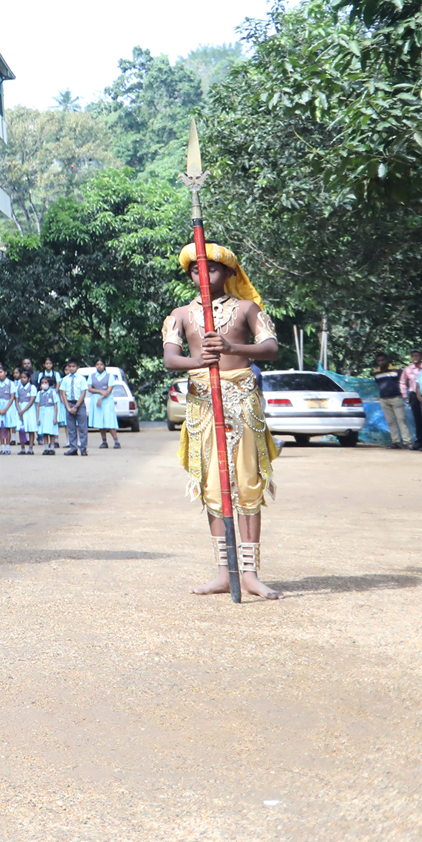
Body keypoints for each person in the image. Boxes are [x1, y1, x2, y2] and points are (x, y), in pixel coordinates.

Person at [163, 242, 283, 599]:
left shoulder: (248, 309)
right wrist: (200, 362)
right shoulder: (180, 314)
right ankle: (223, 570)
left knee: (246, 484)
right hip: (202, 403)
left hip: (241, 401)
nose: (205, 274)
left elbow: (271, 348)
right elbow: (171, 359)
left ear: (231, 273)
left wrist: (232, 349)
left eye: (213, 268)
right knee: (213, 487)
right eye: (197, 269)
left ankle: (250, 573)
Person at [372, 356, 411, 449]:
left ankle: (407, 442)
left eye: (382, 360)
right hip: (384, 399)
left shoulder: (397, 370)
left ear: (387, 360)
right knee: (390, 421)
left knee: (401, 420)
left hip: (396, 397)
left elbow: (403, 382)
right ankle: (395, 441)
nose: (381, 362)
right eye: (379, 360)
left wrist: (403, 393)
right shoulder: (376, 372)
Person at [401, 352, 422, 452]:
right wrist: (405, 396)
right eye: (413, 356)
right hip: (414, 395)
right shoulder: (408, 369)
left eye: (417, 356)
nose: (415, 358)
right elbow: (402, 382)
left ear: (421, 357)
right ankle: (420, 442)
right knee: (418, 419)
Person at [59, 359, 90, 456]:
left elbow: (83, 393)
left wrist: (76, 406)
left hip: (79, 404)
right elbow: (63, 394)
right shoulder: (65, 379)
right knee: (71, 428)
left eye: (73, 366)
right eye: (70, 367)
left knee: (82, 427)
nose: (71, 368)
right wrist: (68, 407)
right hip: (69, 403)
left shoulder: (81, 379)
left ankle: (83, 448)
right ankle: (73, 448)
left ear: (77, 368)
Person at [87, 358, 120, 449]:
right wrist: (100, 391)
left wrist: (101, 397)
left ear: (104, 365)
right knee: (100, 421)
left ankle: (116, 441)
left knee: (109, 421)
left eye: (101, 364)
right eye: (97, 364)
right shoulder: (92, 376)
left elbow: (109, 390)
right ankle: (104, 441)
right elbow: (89, 388)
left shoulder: (109, 376)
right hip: (97, 400)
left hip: (106, 400)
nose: (99, 366)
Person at [35, 376, 61, 455]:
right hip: (42, 413)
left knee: (51, 431)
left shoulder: (53, 393)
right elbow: (38, 406)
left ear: (49, 384)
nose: (44, 384)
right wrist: (38, 417)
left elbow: (56, 405)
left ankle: (52, 448)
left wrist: (56, 417)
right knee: (45, 432)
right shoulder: (39, 393)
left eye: (45, 383)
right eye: (42, 383)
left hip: (51, 413)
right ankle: (46, 448)